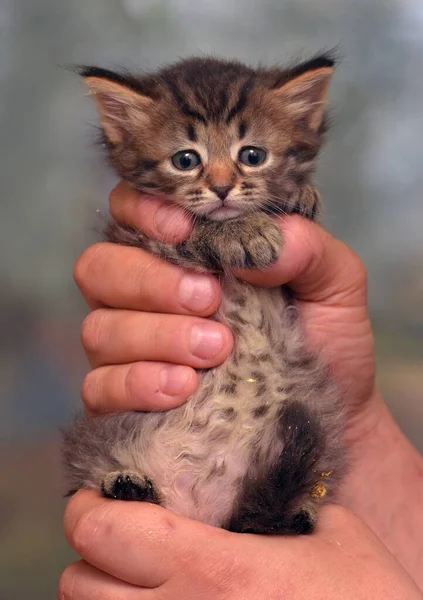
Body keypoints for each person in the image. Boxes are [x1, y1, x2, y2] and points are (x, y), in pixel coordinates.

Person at [59, 182, 423, 598]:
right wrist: (359, 426)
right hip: (202, 458)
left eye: (251, 154)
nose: (220, 179)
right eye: (186, 159)